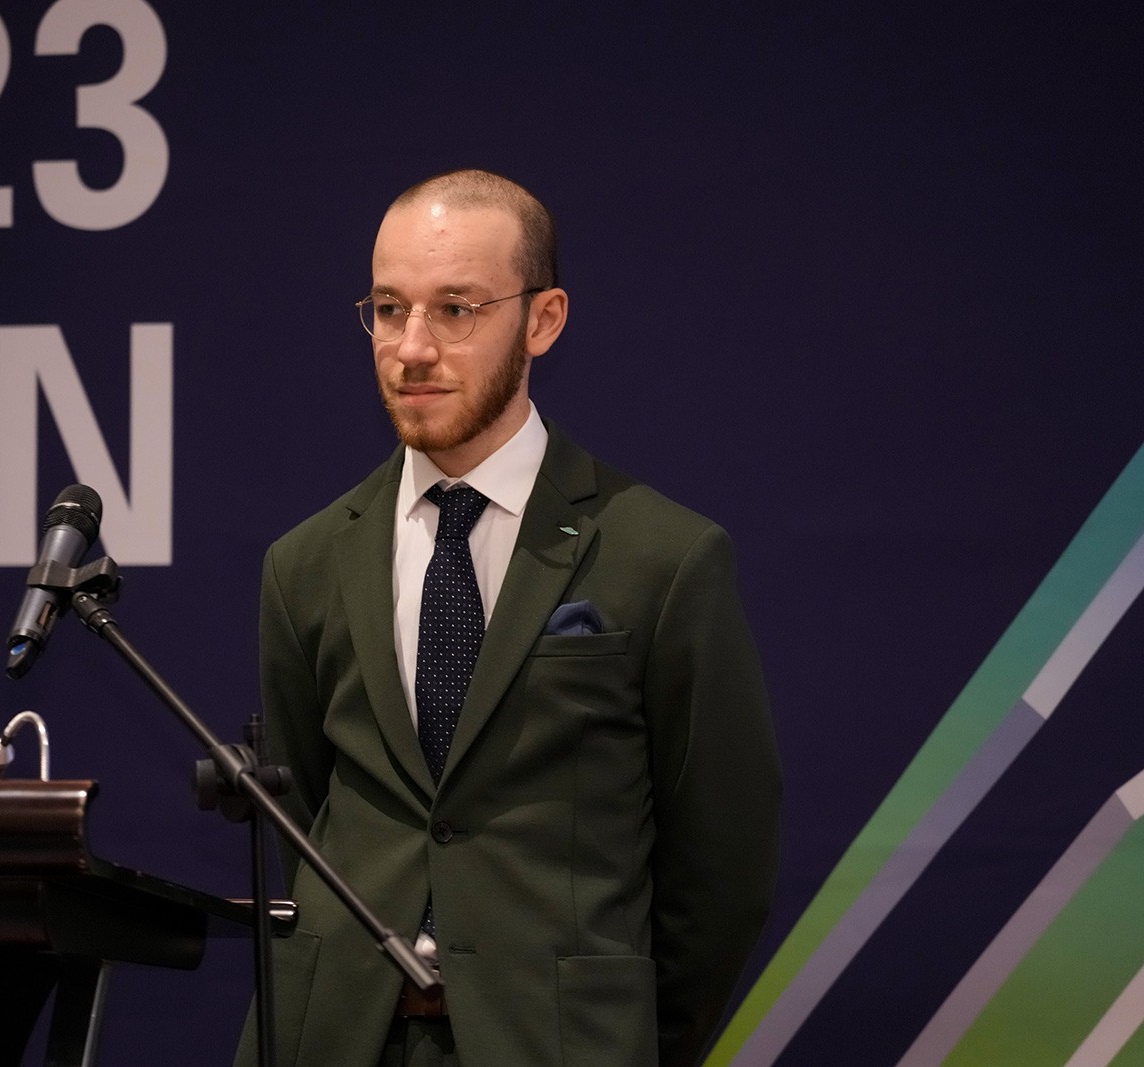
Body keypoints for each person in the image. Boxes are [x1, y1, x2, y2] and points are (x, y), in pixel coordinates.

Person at [238, 169, 780, 1067]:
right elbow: (301, 819)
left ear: (543, 319)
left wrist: (621, 1038)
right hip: (335, 1037)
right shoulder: (305, 563)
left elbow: (723, 862)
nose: (412, 347)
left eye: (456, 309)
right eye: (388, 308)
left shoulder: (664, 557)